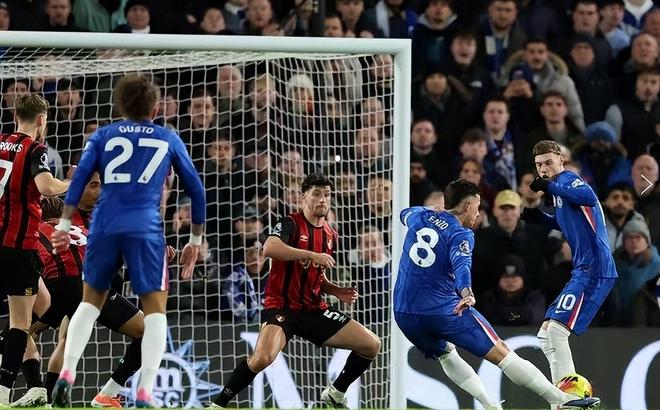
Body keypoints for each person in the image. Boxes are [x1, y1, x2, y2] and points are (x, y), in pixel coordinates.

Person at [50, 75, 206, 408]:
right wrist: (195, 239)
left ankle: (67, 373)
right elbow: (196, 189)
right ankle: (145, 391)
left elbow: (78, 180)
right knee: (155, 312)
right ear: (156, 108)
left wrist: (63, 223)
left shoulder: (102, 135)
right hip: (145, 227)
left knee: (89, 303)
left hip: (105, 223)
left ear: (119, 105)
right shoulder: (168, 137)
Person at [393, 179, 600, 410]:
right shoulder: (461, 234)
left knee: (446, 354)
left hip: (404, 313)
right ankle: (561, 400)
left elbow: (403, 213)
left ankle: (489, 404)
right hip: (442, 310)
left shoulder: (420, 216)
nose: (478, 213)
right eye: (477, 206)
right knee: (503, 353)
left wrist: (431, 210)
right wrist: (467, 292)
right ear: (467, 206)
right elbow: (462, 266)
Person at [209, 173, 381, 408]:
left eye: (327, 195)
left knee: (371, 344)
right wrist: (311, 254)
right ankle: (219, 404)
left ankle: (336, 392)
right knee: (262, 358)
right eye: (317, 194)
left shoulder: (330, 234)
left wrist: (334, 290)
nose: (323, 199)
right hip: (282, 308)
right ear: (304, 197)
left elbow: (316, 275)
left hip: (314, 309)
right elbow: (269, 248)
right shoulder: (289, 223)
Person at [524, 140, 618, 384]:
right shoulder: (560, 189)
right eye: (539, 165)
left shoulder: (569, 180)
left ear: (561, 160)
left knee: (556, 331)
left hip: (595, 268)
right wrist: (540, 218)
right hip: (583, 269)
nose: (543, 169)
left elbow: (588, 197)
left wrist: (549, 186)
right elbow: (569, 221)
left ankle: (568, 395)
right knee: (546, 334)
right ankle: (561, 396)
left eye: (548, 162)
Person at [0, 93, 70, 405]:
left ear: (16, 115)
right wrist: (74, 181)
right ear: (42, 120)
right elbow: (46, 187)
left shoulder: (0, 142)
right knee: (20, 322)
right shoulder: (36, 149)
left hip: (2, 242)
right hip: (19, 246)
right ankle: (2, 391)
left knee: (45, 304)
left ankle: (36, 386)